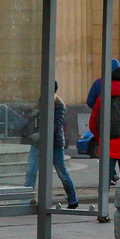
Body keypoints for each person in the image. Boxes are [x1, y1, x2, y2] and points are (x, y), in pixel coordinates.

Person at [24, 81, 80, 209]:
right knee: (31, 172)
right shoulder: (39, 104)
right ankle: (25, 201)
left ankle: (73, 199)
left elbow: (56, 125)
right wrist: (32, 121)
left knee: (61, 172)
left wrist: (40, 134)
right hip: (38, 143)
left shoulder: (59, 104)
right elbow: (31, 123)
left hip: (54, 143)